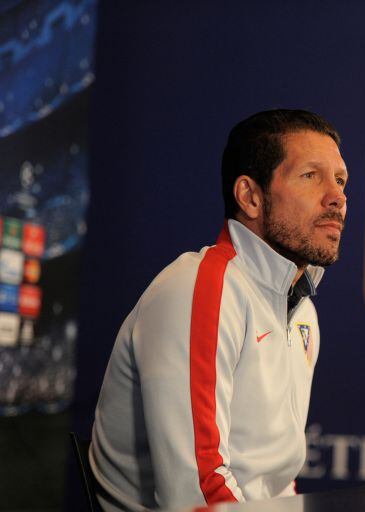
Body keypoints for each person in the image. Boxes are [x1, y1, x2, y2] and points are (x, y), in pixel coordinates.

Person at [89, 109, 348, 511]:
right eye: (311, 176)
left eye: (340, 179)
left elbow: (277, 482)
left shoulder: (302, 312)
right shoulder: (197, 288)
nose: (337, 196)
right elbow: (196, 491)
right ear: (250, 197)